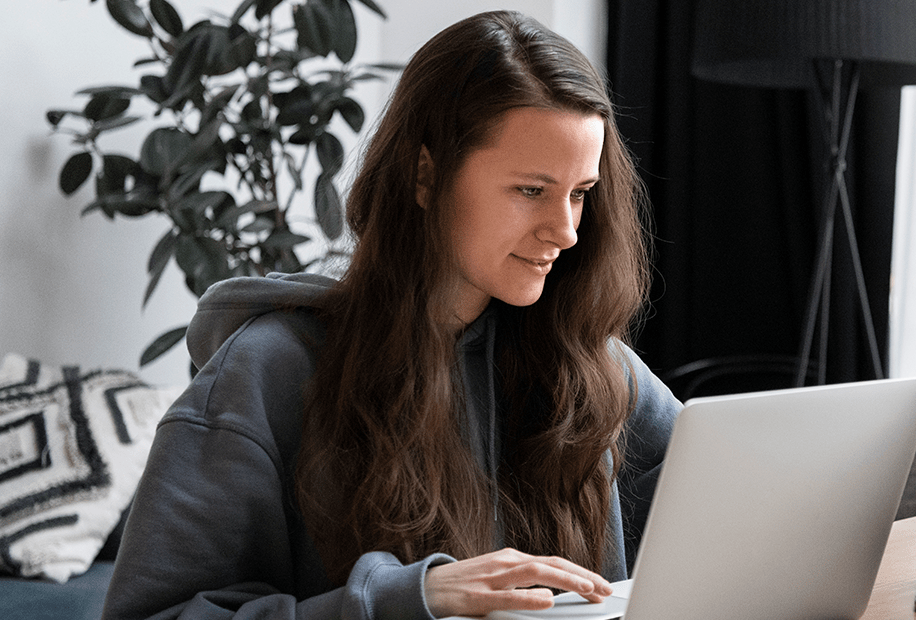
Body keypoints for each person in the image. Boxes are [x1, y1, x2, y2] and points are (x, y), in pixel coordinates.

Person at [101, 10, 681, 620]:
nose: (565, 232)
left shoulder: (588, 360)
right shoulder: (266, 371)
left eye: (580, 194)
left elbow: (725, 498)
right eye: (531, 191)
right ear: (425, 174)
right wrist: (406, 600)